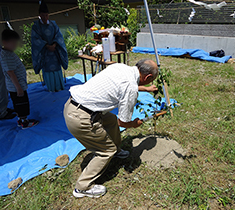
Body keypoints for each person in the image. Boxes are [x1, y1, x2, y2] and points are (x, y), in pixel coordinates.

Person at [64, 59, 159, 198]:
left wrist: (145, 88)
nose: (149, 83)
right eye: (150, 81)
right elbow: (123, 122)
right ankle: (82, 187)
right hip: (80, 119)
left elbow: (124, 86)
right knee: (106, 151)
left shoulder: (121, 68)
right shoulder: (130, 88)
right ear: (148, 77)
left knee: (111, 119)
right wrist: (134, 123)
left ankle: (117, 150)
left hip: (72, 106)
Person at [0, 29, 39, 129]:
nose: (15, 45)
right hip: (16, 86)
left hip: (16, 85)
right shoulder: (7, 55)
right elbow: (11, 73)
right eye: (13, 43)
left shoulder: (7, 52)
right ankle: (24, 122)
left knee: (18, 104)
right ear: (5, 42)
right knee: (22, 104)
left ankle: (21, 120)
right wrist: (18, 88)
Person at [31, 1, 68, 92]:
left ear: (48, 15)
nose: (45, 18)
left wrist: (55, 44)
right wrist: (47, 45)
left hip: (55, 51)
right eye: (42, 16)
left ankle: (59, 87)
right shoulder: (36, 26)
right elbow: (36, 39)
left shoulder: (53, 24)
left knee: (56, 69)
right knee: (47, 70)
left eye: (46, 15)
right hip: (45, 52)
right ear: (39, 15)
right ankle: (51, 88)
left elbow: (59, 36)